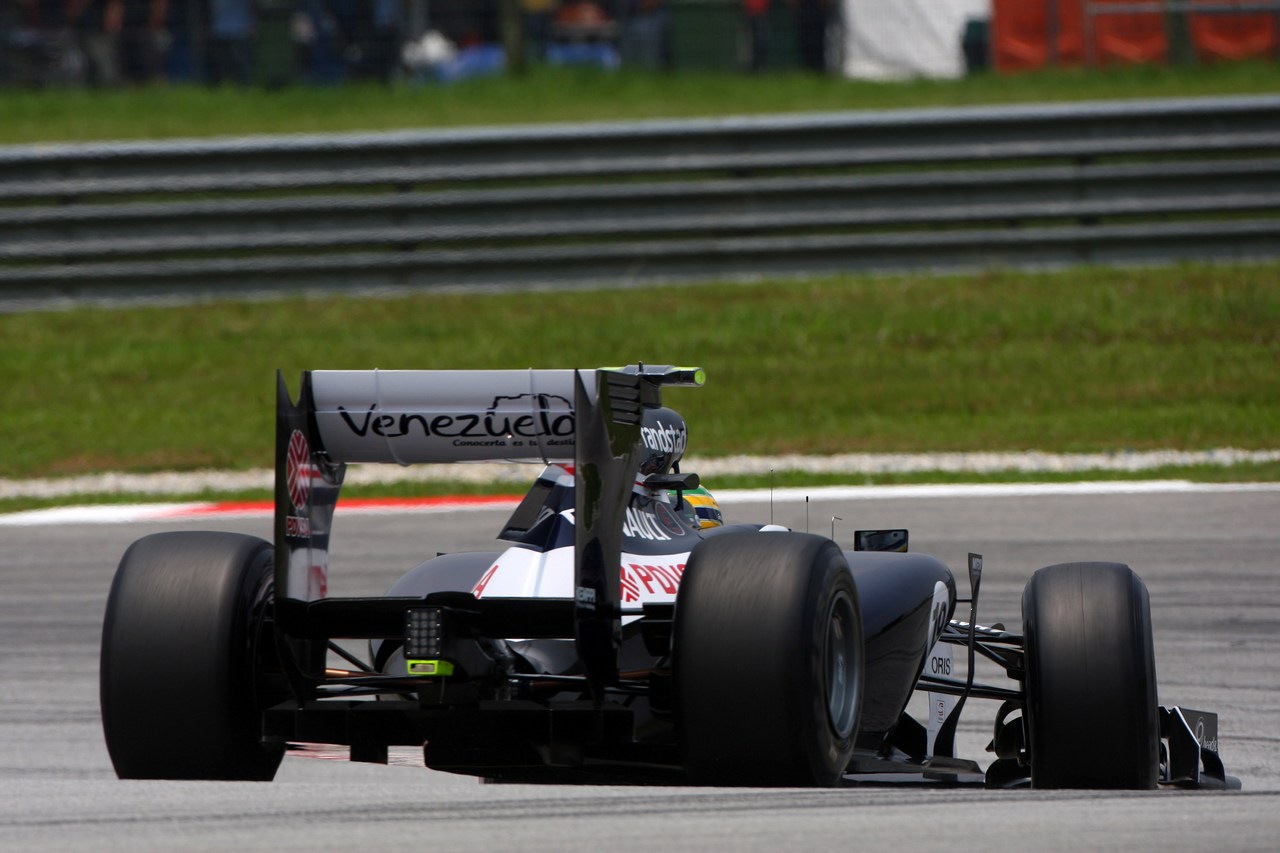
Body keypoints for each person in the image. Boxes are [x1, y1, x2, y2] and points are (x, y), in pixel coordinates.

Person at [117, 0, 166, 84]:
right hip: (124, 30)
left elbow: (159, 6)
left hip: (146, 28)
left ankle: (154, 80)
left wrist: (156, 20)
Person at [209, 0, 254, 86]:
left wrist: (253, 25)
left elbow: (252, 7)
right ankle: (222, 86)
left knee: (240, 63)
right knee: (221, 63)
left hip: (240, 31)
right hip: (219, 31)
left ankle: (243, 86)